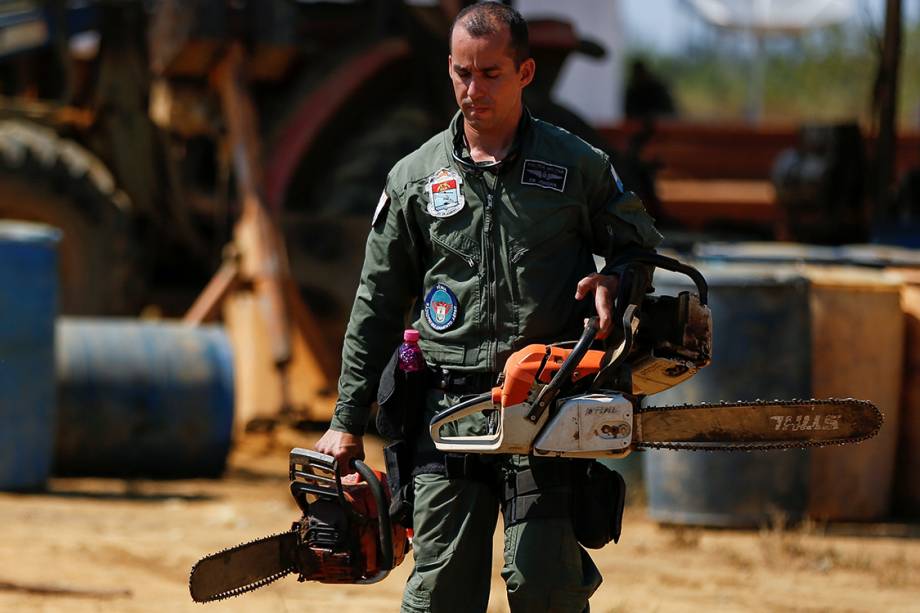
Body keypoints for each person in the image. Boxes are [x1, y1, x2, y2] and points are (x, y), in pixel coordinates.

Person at [316, 3, 662, 611]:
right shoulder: (413, 179)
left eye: (490, 74)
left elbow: (639, 248)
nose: (472, 90)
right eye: (461, 73)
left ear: (526, 72)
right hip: (446, 415)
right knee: (441, 592)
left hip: (546, 408)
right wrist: (346, 419)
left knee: (545, 585)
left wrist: (618, 280)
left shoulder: (578, 167)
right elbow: (375, 303)